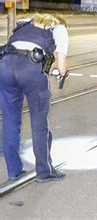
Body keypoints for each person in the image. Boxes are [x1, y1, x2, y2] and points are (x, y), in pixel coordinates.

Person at [0, 13, 69, 182]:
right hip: (31, 68)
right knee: (39, 123)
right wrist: (62, 72)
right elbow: (61, 66)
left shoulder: (23, 24)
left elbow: (12, 44)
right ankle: (44, 172)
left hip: (6, 66)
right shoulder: (59, 28)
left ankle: (14, 171)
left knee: (10, 120)